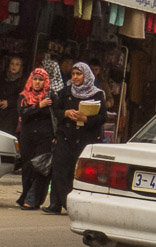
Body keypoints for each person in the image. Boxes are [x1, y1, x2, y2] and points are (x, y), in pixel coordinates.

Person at [43, 62, 106, 215]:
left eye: (79, 74)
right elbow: (56, 110)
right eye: (73, 74)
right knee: (59, 169)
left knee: (75, 171)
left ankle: (73, 204)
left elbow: (102, 117)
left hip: (85, 138)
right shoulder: (66, 91)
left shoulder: (97, 94)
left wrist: (86, 118)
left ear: (87, 75)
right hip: (66, 137)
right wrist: (66, 113)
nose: (76, 77)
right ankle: (55, 203)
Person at [16, 68, 54, 210]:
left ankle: (31, 200)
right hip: (27, 138)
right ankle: (27, 196)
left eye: (41, 80)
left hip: (45, 138)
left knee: (39, 167)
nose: (38, 82)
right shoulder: (24, 96)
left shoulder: (50, 97)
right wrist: (39, 106)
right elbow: (23, 114)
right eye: (35, 79)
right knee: (27, 168)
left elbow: (54, 117)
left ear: (46, 82)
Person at [0, 56, 24, 136]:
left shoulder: (22, 81)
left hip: (12, 114)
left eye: (17, 65)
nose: (14, 66)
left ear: (20, 67)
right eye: (12, 64)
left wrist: (9, 103)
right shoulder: (3, 77)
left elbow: (22, 99)